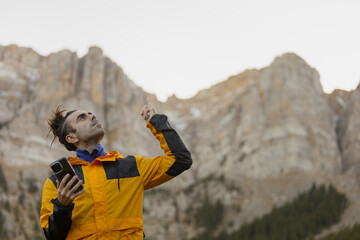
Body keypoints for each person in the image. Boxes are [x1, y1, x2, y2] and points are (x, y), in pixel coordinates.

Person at [40, 99, 192, 240]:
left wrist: (157, 122)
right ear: (71, 138)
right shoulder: (57, 183)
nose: (92, 116)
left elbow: (180, 160)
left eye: (90, 114)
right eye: (82, 118)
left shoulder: (132, 166)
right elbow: (52, 237)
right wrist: (62, 206)